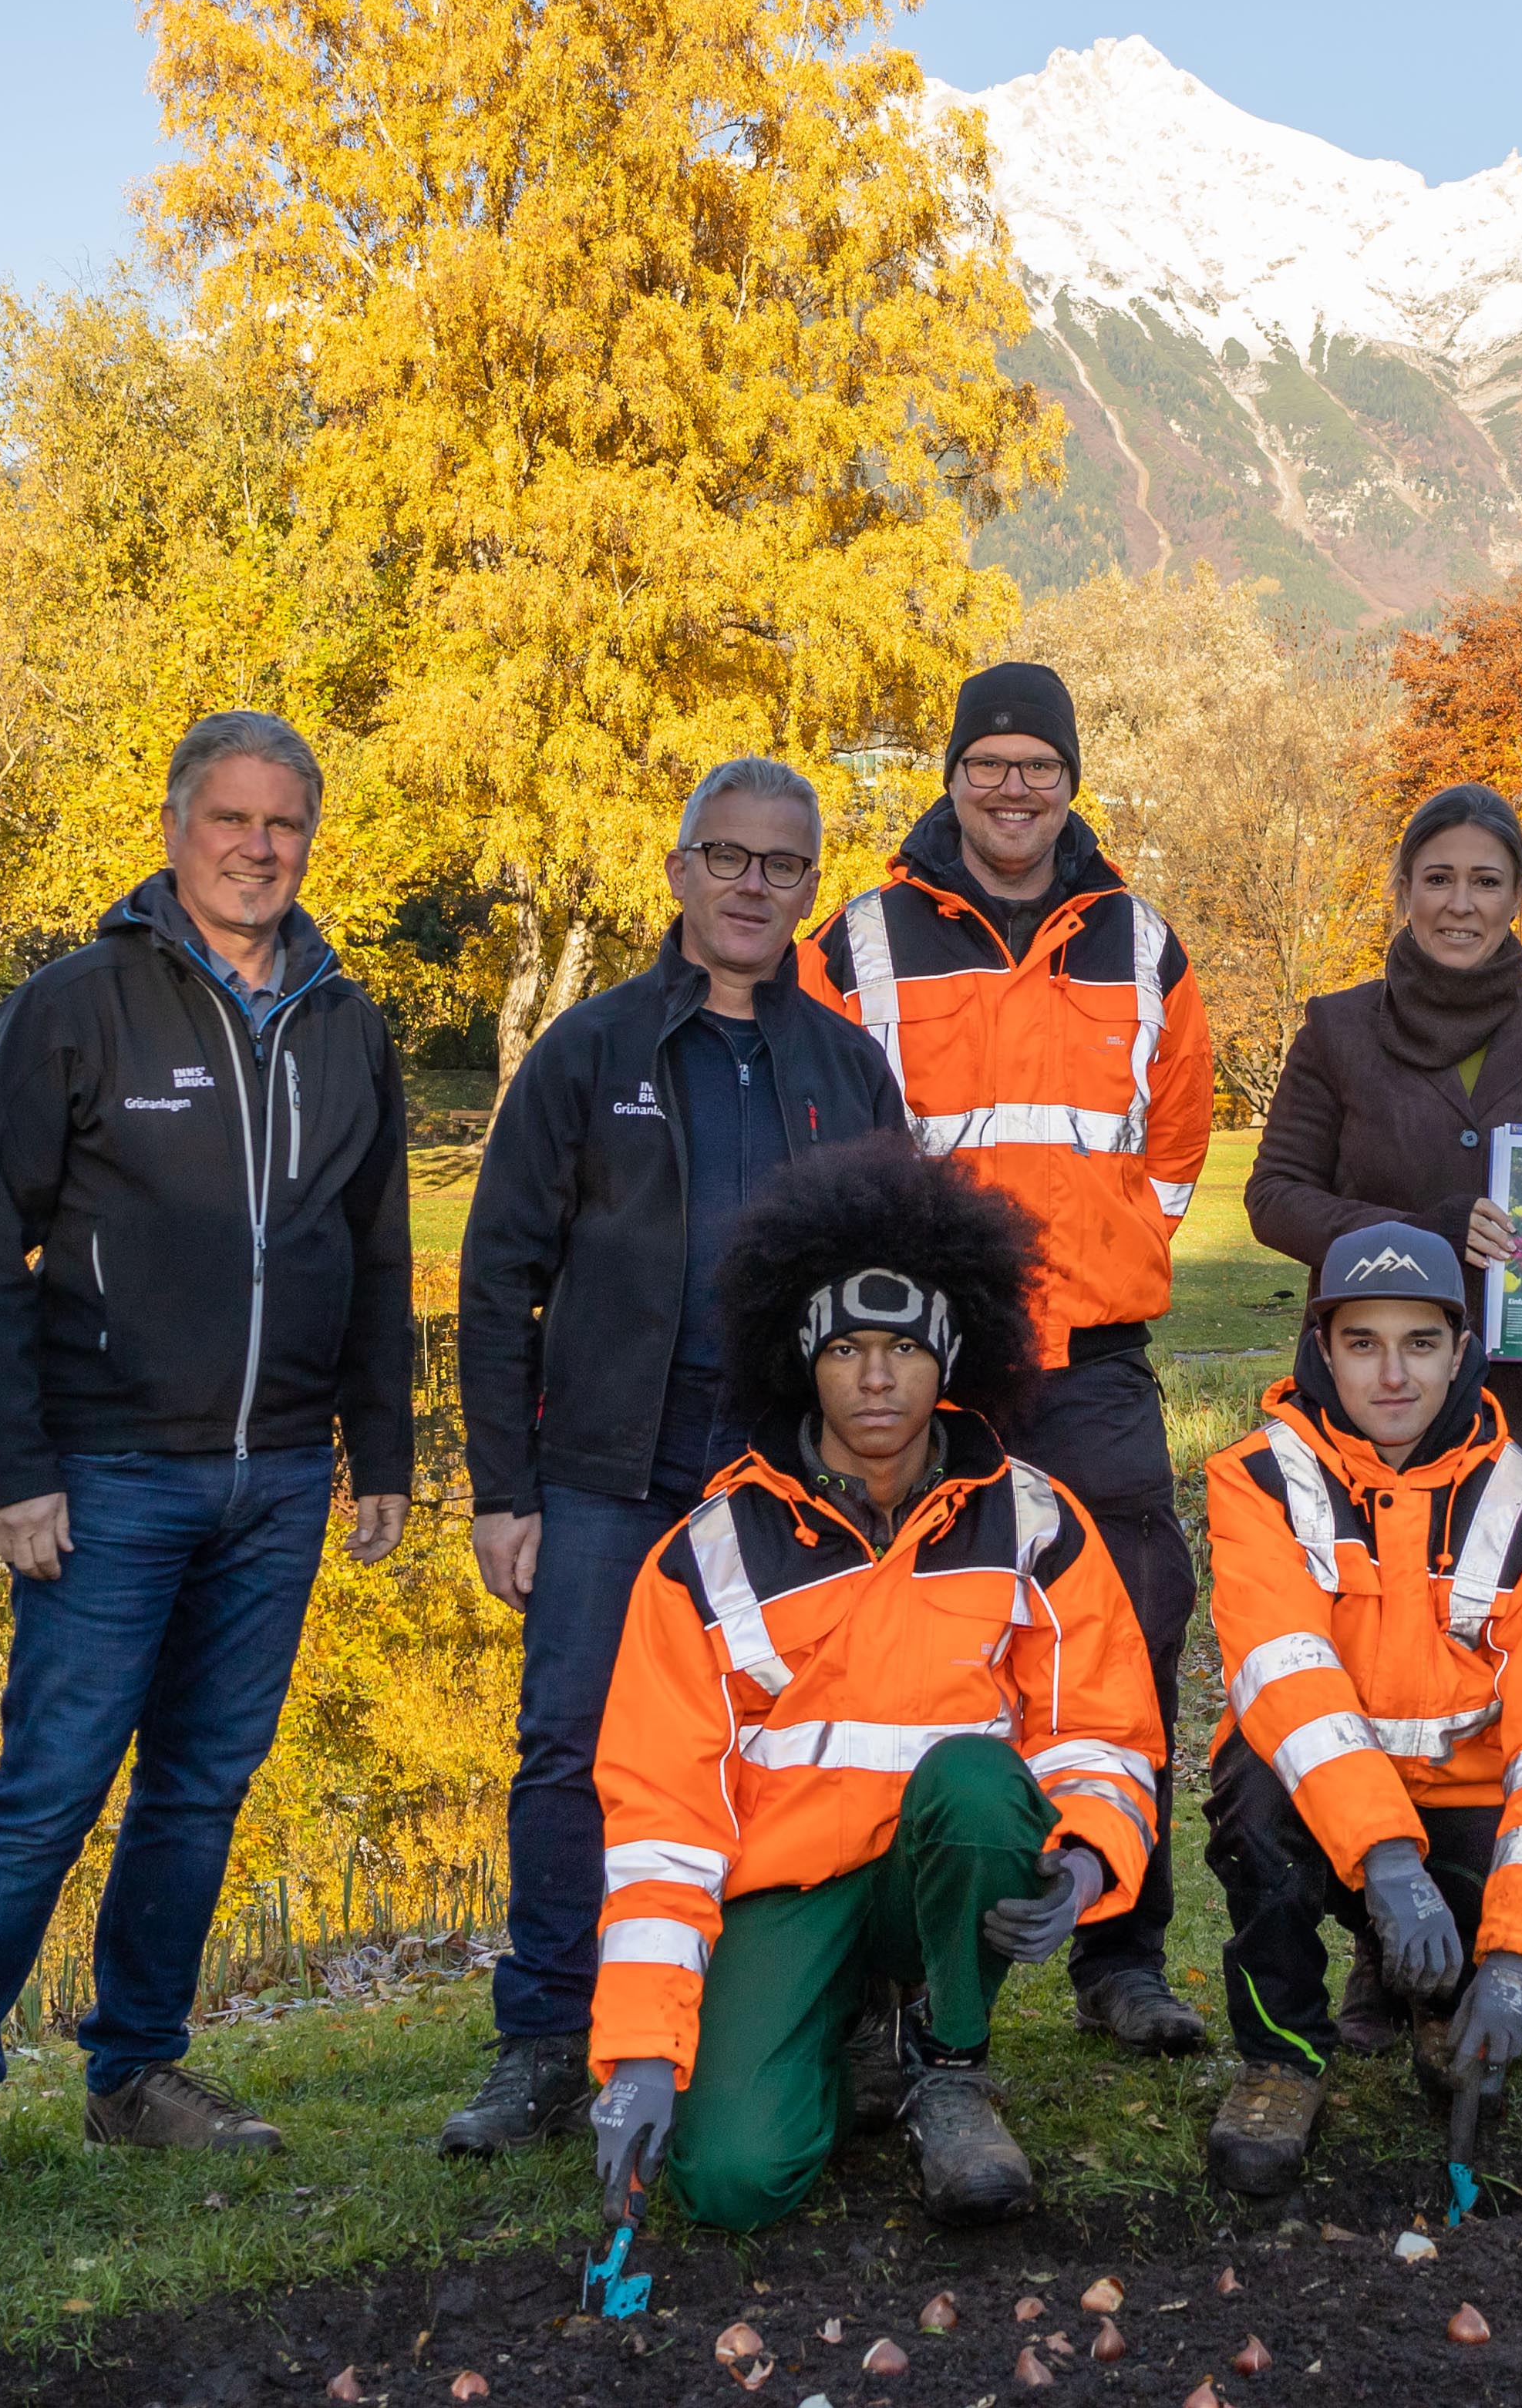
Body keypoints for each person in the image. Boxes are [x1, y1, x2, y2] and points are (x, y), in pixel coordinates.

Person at [0, 711, 415, 2209]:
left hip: (274, 1483)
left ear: (308, 838)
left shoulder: (341, 1016)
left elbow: (376, 1248)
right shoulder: (76, 1007)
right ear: (177, 827)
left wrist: (379, 1443)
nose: (258, 847)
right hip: (106, 1472)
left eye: (284, 824)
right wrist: (9, 1469)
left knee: (199, 1789)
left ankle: (132, 2072)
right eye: (231, 819)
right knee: (48, 1787)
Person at [433, 758, 909, 2157]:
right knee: (573, 1742)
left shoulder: (845, 1067)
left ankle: (830, 2015)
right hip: (606, 1464)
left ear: (810, 894)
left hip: (789, 1475)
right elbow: (498, 1273)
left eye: (783, 866)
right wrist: (504, 1491)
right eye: (730, 857)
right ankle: (545, 2036)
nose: (754, 886)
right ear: (681, 870)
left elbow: (896, 1282)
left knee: (809, 1744)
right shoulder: (590, 1053)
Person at [584, 1138, 1167, 2230]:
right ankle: (849, 2033)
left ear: (952, 1357)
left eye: (903, 1346)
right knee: (731, 2180)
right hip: (785, 1890)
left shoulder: (1032, 1517)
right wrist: (640, 2054)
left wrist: (1088, 1851)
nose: (875, 1377)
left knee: (979, 1778)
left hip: (937, 1870)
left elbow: (1101, 1727)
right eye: (844, 1347)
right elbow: (659, 1814)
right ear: (800, 1358)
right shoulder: (709, 1550)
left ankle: (947, 2061)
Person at [800, 660, 1214, 2057]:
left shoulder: (1139, 943)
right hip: (925, 1363)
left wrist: (1111, 1250)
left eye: (1039, 761)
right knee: (899, 1642)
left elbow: (1171, 1150)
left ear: (1071, 778)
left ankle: (1121, 1954)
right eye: (990, 762)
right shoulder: (859, 939)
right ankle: (891, 1973)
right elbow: (827, 1135)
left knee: (1136, 1624)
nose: (1014, 786)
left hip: (1091, 1357)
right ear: (953, 776)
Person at [1196, 1222, 1522, 2194]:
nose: (1392, 1375)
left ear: (1461, 1354)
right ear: (1321, 1352)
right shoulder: (1258, 1479)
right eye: (1361, 1344)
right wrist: (1387, 1861)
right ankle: (1280, 2060)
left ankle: (1447, 1998)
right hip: (1327, 1814)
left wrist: (1519, 1955)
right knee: (1256, 1789)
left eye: (1420, 1344)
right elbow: (1287, 1679)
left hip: (1465, 1815)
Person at [1247, 781, 1522, 1559]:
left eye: (1485, 882)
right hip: (1372, 1394)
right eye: (1438, 878)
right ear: (1403, 891)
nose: (1460, 904)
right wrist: (1419, 1235)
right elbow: (1274, 1198)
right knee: (1369, 1626)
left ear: (1518, 896)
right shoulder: (1338, 1028)